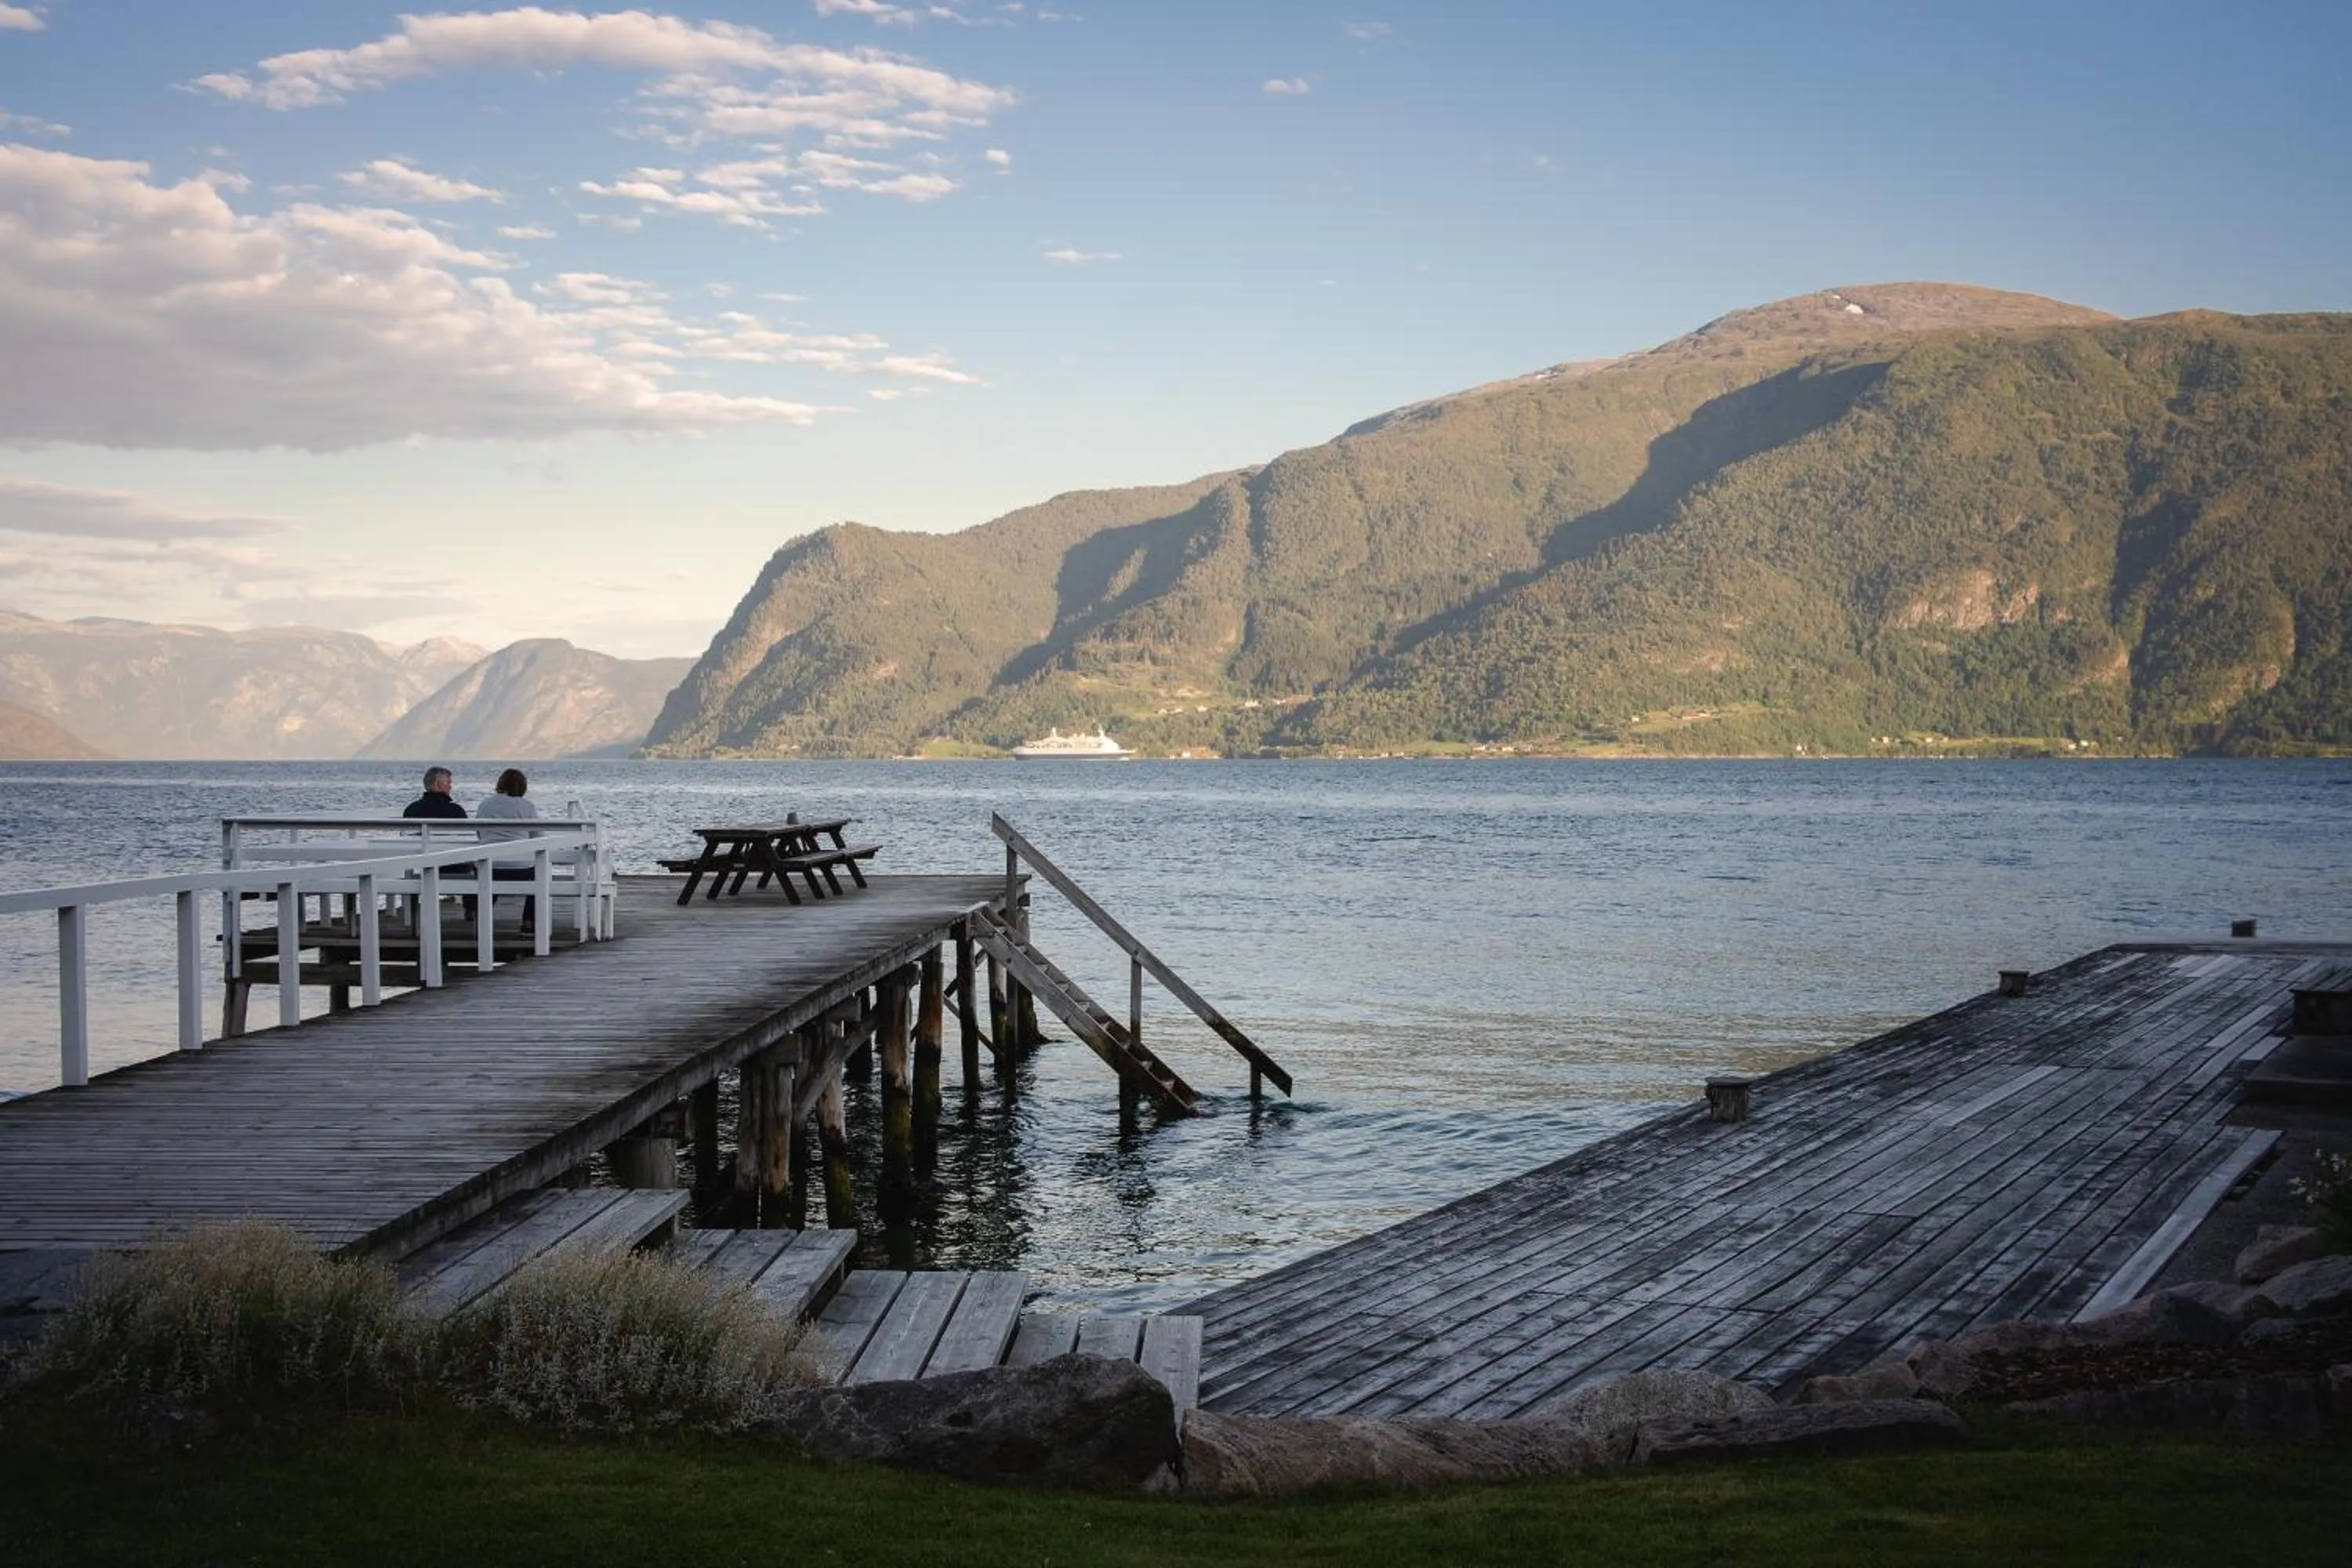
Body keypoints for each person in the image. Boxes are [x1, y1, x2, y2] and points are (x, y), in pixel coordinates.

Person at [476, 768, 543, 932]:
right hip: (521, 868)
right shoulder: (527, 806)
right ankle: (529, 921)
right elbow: (539, 837)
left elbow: (479, 833)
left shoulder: (485, 804)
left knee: (485, 874)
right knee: (540, 876)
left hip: (490, 867)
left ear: (500, 784)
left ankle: (481, 920)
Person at [401, 765, 467, 819]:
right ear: (438, 784)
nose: (450, 787)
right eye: (448, 783)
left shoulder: (410, 810)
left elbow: (404, 834)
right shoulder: (456, 811)